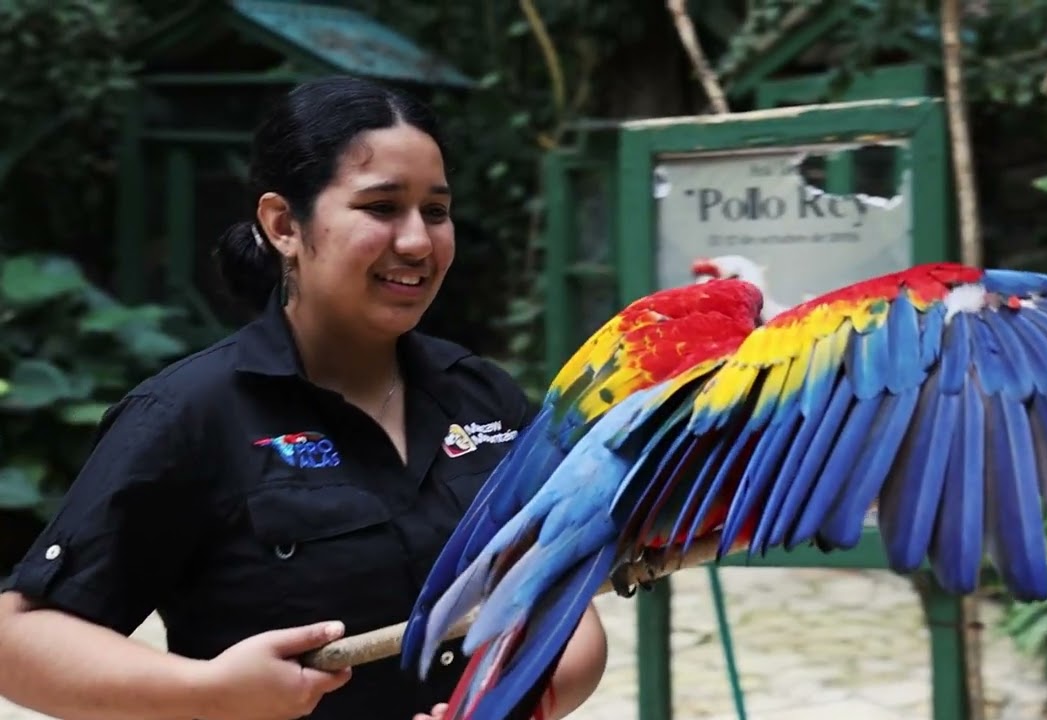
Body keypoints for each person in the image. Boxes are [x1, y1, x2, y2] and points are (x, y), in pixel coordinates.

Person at [0, 75, 608, 720]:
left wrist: (506, 705)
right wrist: (206, 692)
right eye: (381, 207)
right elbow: (19, 638)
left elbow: (566, 605)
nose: (417, 242)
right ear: (284, 224)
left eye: (435, 211)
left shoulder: (484, 398)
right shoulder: (191, 415)